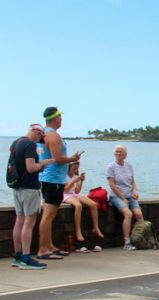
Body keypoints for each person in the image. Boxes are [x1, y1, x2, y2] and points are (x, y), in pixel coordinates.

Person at [36, 107, 84, 260]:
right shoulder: (53, 136)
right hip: (52, 180)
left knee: (50, 215)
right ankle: (43, 249)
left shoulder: (44, 134)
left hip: (51, 179)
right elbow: (58, 159)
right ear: (55, 118)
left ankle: (49, 246)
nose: (61, 120)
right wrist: (72, 158)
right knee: (48, 215)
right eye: (60, 117)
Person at [10, 124, 53, 269]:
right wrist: (43, 163)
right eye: (40, 137)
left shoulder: (16, 143)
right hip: (29, 188)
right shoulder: (29, 145)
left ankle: (17, 255)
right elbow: (30, 167)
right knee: (29, 222)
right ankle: (26, 258)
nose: (39, 140)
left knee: (19, 221)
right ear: (36, 132)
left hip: (17, 188)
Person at [107, 145, 143, 251]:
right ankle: (126, 242)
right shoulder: (111, 167)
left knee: (139, 214)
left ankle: (142, 238)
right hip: (116, 196)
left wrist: (134, 191)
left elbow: (132, 181)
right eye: (117, 152)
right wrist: (122, 198)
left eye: (121, 152)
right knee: (128, 214)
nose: (118, 154)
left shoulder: (129, 166)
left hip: (129, 195)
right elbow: (112, 185)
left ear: (125, 155)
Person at [62, 160, 105, 250]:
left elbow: (77, 191)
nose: (75, 170)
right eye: (74, 169)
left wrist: (81, 181)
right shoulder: (64, 176)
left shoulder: (76, 176)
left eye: (76, 169)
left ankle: (95, 227)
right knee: (78, 206)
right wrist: (74, 181)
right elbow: (66, 189)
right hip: (66, 195)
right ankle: (78, 231)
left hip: (74, 194)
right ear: (68, 168)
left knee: (93, 204)